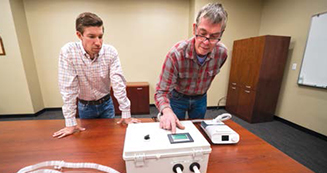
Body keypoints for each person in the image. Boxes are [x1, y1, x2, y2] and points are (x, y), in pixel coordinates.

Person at [53, 12, 140, 139]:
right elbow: (68, 89)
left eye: (100, 36)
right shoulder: (68, 52)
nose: (98, 43)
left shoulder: (110, 52)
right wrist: (70, 122)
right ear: (79, 35)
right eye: (91, 36)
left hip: (106, 104)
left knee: (109, 139)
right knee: (89, 142)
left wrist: (126, 113)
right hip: (85, 106)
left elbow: (118, 83)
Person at [154, 3, 228, 133]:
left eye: (214, 36)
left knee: (198, 132)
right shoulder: (176, 54)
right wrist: (167, 111)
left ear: (221, 34)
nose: (206, 42)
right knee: (174, 130)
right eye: (202, 33)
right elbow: (161, 91)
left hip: (201, 98)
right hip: (177, 97)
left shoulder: (222, 53)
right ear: (194, 29)